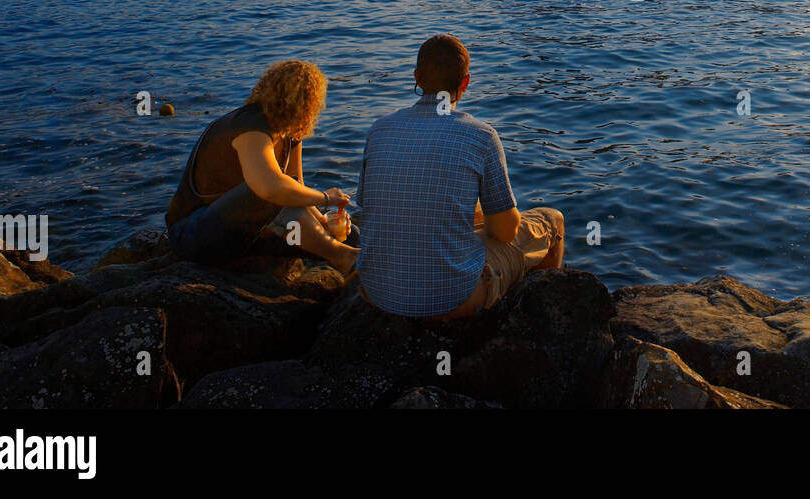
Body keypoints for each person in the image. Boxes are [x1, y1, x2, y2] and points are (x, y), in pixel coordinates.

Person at [354, 35, 564, 320]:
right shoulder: (481, 136)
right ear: (465, 83)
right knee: (552, 220)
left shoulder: (379, 130)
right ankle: (542, 323)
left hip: (376, 292)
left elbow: (367, 208)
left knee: (471, 214)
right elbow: (505, 233)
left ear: (416, 77)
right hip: (452, 300)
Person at [165, 60, 357, 271]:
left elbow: (297, 191)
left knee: (351, 236)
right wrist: (326, 198)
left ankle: (342, 252)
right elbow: (269, 188)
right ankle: (342, 257)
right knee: (271, 189)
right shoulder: (249, 125)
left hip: (248, 234)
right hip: (193, 236)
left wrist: (324, 222)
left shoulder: (291, 133)